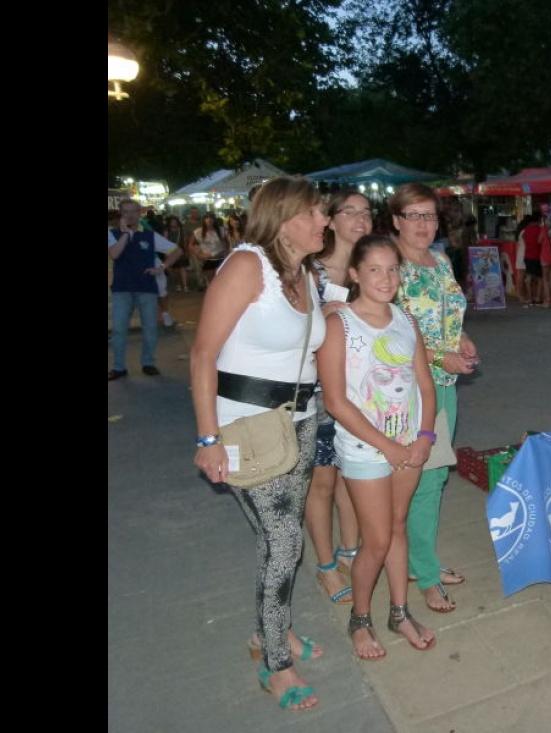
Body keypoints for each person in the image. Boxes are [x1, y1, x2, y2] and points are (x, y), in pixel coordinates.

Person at [189, 175, 328, 712]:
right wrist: (208, 438)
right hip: (245, 428)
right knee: (284, 544)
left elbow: (306, 338)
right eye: (316, 212)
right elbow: (203, 355)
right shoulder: (247, 266)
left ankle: (272, 630)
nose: (324, 220)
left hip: (299, 422)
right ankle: (275, 659)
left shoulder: (303, 270)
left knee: (279, 542)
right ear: (286, 217)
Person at [317, 234, 438, 659]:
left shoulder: (406, 320)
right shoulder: (340, 325)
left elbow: (424, 383)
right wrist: (387, 446)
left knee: (398, 528)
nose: (386, 278)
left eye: (392, 269)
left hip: (409, 447)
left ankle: (399, 612)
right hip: (367, 450)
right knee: (376, 541)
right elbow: (336, 401)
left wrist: (425, 437)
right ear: (354, 274)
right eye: (374, 269)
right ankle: (360, 618)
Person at [390, 182, 477, 613]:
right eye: (413, 215)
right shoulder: (391, 268)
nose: (424, 224)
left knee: (435, 476)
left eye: (429, 215)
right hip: (409, 390)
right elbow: (390, 335)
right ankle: (422, 574)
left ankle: (422, 561)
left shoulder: (440, 260)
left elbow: (446, 315)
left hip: (444, 386)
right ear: (395, 221)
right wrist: (442, 356)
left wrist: (461, 339)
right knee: (419, 479)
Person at [304, 188, 374, 608]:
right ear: (330, 218)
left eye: (367, 212)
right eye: (351, 211)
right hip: (316, 389)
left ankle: (350, 551)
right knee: (323, 480)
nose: (362, 219)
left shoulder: (372, 264)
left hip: (363, 387)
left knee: (353, 474)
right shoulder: (311, 271)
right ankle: (327, 565)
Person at [108, 198, 185, 380]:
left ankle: (148, 363)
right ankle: (119, 367)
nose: (130, 215)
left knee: (150, 328)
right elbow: (115, 254)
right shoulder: (112, 234)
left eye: (133, 211)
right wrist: (126, 234)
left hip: (146, 287)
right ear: (121, 214)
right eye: (125, 211)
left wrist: (162, 267)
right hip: (122, 288)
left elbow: (177, 251)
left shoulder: (150, 235)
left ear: (140, 212)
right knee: (119, 329)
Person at [190, 212, 227, 289]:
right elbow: (190, 245)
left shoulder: (221, 230)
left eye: (211, 220)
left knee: (221, 280)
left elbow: (227, 243)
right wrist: (198, 254)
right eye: (207, 220)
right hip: (208, 259)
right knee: (211, 281)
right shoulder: (198, 232)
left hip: (220, 257)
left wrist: (225, 251)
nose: (209, 222)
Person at [519, 213, 544, 307]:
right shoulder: (539, 229)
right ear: (538, 220)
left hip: (527, 256)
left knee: (528, 278)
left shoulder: (526, 230)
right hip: (537, 256)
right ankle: (537, 297)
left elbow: (523, 238)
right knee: (540, 278)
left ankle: (529, 297)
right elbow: (541, 241)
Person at [179, 207, 205, 291]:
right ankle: (200, 283)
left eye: (196, 212)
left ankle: (204, 282)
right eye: (193, 212)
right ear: (190, 213)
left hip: (202, 246)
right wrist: (186, 249)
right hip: (192, 246)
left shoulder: (201, 223)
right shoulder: (187, 224)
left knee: (203, 265)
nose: (194, 214)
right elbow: (185, 237)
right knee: (197, 266)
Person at [164, 215, 191, 292]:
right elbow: (164, 242)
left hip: (181, 251)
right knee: (176, 270)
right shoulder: (167, 231)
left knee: (182, 268)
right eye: (172, 222)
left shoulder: (181, 230)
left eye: (175, 221)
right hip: (171, 252)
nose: (174, 223)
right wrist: (166, 253)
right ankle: (178, 284)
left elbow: (185, 241)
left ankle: (185, 286)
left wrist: (186, 251)